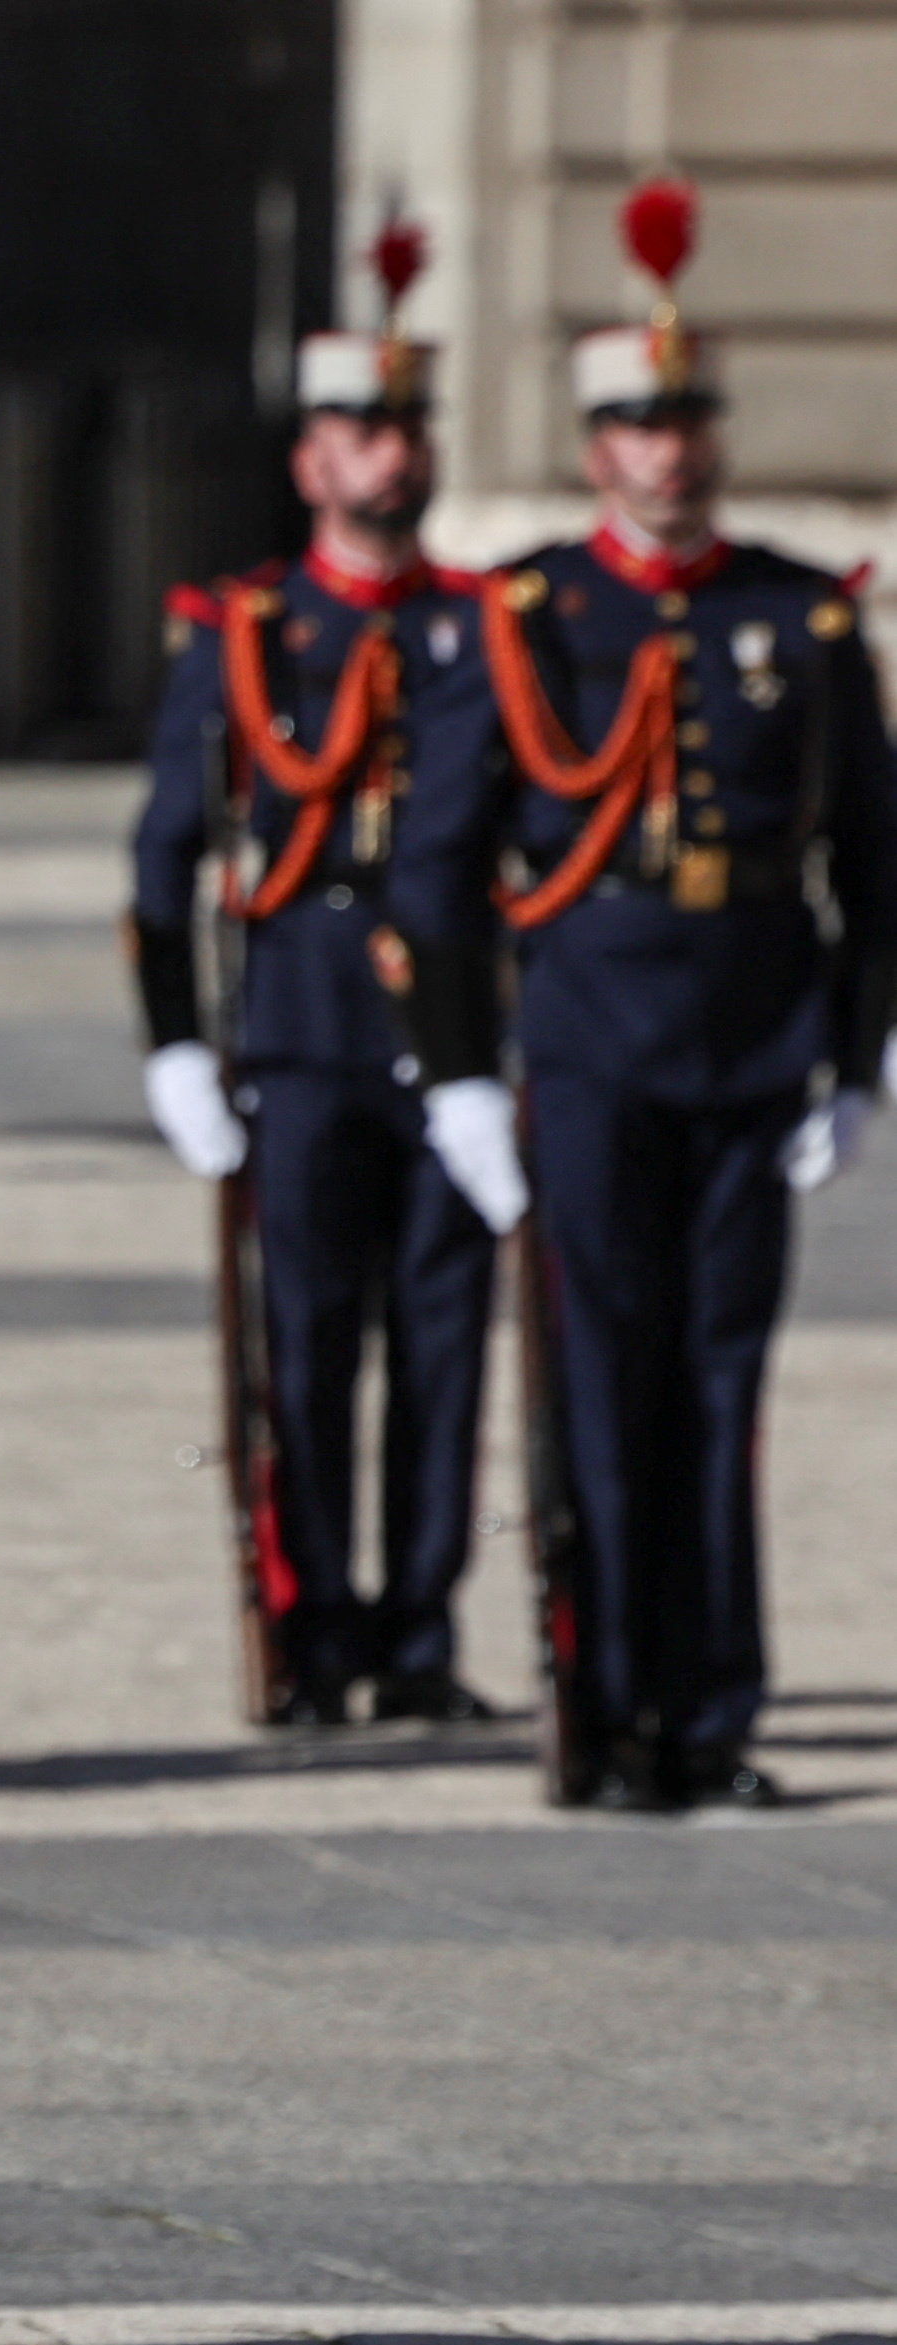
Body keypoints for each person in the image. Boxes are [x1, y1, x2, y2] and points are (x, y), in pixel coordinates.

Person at [396, 179, 897, 1812]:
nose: (664, 452)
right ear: (595, 443)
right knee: (604, 1383)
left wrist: (857, 1056)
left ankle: (709, 1713)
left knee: (721, 1386)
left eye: (684, 422)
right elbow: (442, 864)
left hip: (754, 1039)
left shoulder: (799, 614)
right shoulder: (530, 615)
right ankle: (604, 1704)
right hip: (597, 1042)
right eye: (632, 424)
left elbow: (871, 857)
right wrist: (464, 1075)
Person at [128, 220, 502, 1727]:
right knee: (301, 1350)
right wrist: (172, 1045)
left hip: (451, 1035)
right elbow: (162, 851)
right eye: (355, 429)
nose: (383, 455)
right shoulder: (240, 634)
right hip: (291, 1032)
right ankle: (306, 1624)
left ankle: (413, 1630)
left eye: (403, 428)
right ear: (308, 464)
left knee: (438, 1349)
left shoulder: (484, 629)